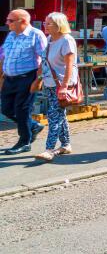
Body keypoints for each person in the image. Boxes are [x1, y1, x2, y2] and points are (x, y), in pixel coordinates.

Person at [1, 9, 47, 155]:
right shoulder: (11, 35)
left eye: (10, 20)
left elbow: (45, 59)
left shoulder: (36, 35)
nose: (7, 23)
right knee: (6, 109)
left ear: (23, 21)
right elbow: (4, 56)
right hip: (9, 78)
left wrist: (38, 80)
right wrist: (1, 76)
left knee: (22, 110)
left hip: (27, 78)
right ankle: (33, 126)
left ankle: (24, 142)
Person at [34, 12, 78, 162]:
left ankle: (49, 149)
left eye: (48, 23)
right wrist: (39, 78)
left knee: (53, 116)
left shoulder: (67, 40)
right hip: (50, 83)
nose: (45, 26)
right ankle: (66, 145)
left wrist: (64, 86)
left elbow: (69, 65)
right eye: (45, 23)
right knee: (60, 115)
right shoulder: (49, 39)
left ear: (59, 25)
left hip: (62, 84)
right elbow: (44, 61)